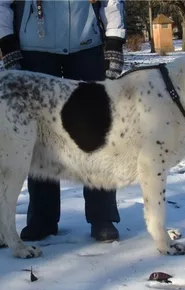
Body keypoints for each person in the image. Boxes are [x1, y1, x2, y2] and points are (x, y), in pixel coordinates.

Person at [0, 0, 125, 242]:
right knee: (38, 137)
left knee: (97, 132)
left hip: (87, 44)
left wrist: (114, 41)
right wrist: (7, 42)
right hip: (35, 49)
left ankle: (102, 216)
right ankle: (42, 218)